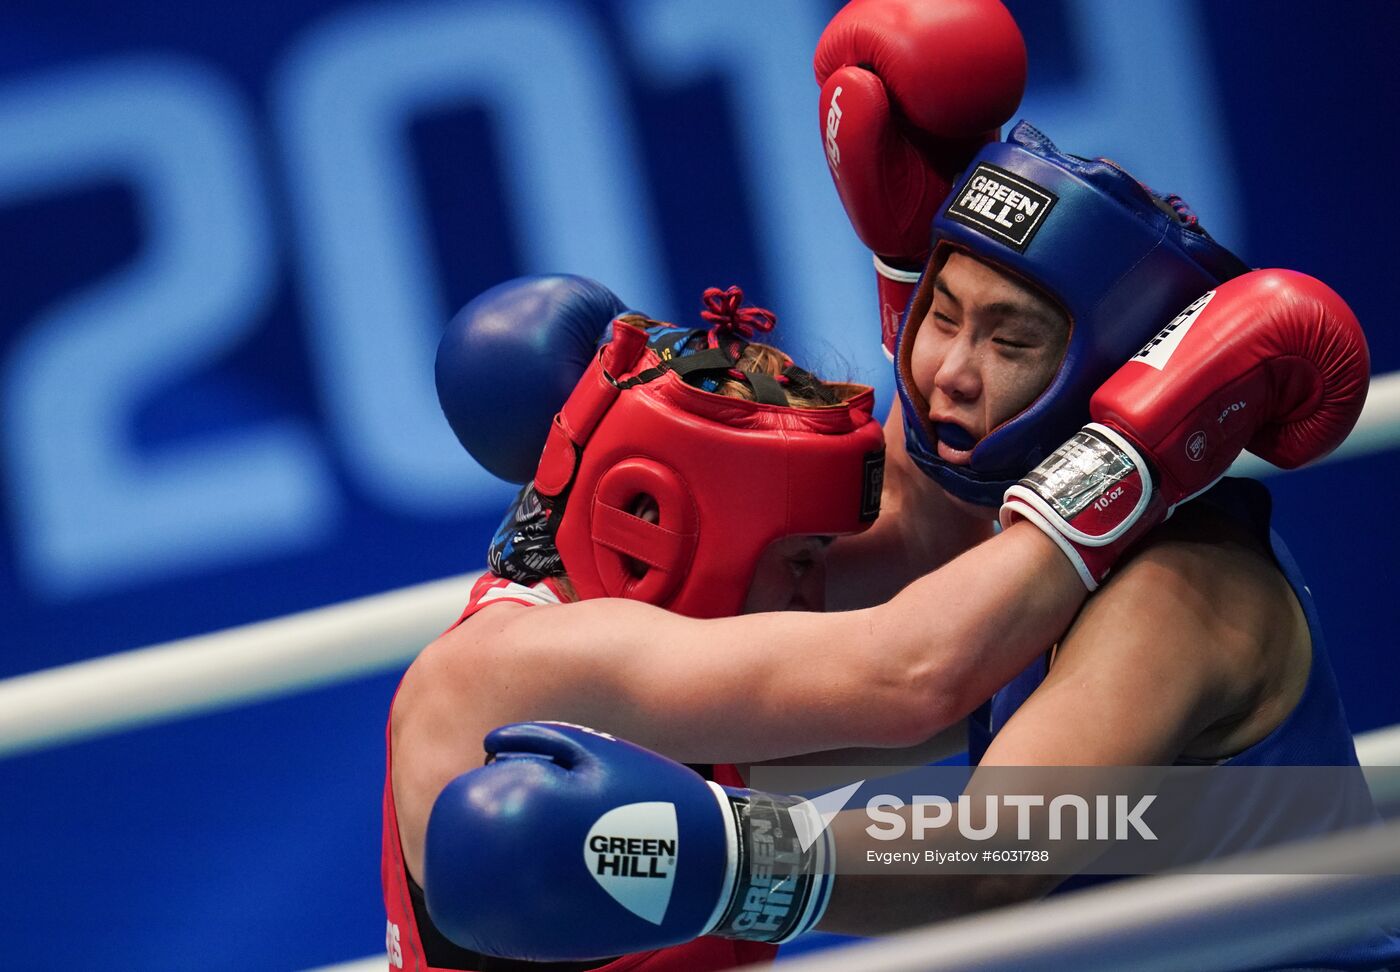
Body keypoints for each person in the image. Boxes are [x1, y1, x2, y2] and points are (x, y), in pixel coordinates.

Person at [413, 4, 1394, 966]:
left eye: (1009, 339)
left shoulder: (1171, 590)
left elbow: (989, 848)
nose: (948, 373)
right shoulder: (1008, 573)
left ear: (1113, 370)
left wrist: (724, 865)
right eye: (938, 315)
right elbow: (917, 591)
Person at [388, 281, 1118, 972]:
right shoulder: (516, 663)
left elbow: (928, 542)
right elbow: (917, 673)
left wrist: (926, 265)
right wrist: (1134, 452)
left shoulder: (661, 658)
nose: (819, 588)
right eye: (801, 557)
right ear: (657, 529)